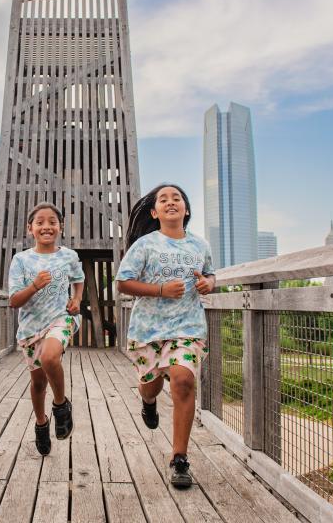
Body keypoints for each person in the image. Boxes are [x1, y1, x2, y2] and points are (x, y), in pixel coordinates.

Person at [115, 184, 216, 489]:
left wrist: (208, 284)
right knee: (151, 385)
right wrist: (160, 289)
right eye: (164, 199)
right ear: (154, 212)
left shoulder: (200, 246)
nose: (171, 202)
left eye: (177, 198)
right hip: (148, 330)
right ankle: (148, 403)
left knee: (183, 380)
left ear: (186, 210)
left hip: (187, 327)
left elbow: (209, 274)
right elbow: (123, 283)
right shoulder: (145, 245)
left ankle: (180, 459)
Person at [8, 203, 84, 456]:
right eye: (40, 222)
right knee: (38, 383)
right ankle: (41, 424)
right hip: (31, 327)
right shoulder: (20, 260)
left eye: (52, 221)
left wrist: (77, 300)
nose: (46, 226)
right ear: (30, 228)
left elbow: (79, 279)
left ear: (60, 227)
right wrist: (34, 286)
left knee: (50, 357)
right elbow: (14, 300)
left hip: (60, 319)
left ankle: (61, 406)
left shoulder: (69, 256)